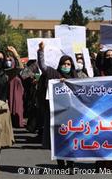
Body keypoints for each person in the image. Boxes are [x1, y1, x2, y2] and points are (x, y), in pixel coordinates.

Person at [37, 41, 77, 170]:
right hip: (57, 113)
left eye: (69, 64)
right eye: (64, 64)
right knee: (58, 139)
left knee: (71, 139)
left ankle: (71, 164)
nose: (66, 66)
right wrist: (41, 51)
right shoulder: (53, 74)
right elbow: (42, 66)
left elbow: (91, 85)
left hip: (72, 114)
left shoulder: (77, 77)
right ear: (60, 65)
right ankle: (61, 164)